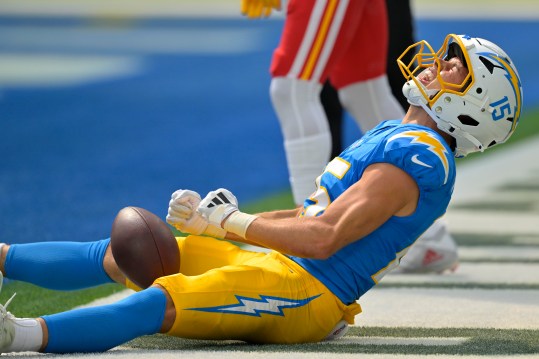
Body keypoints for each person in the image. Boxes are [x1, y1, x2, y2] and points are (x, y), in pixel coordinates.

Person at [0, 34, 522, 353]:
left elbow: (323, 238)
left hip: (308, 293)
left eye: (454, 68)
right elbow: (308, 212)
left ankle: (18, 336)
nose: (434, 63)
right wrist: (215, 222)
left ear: (475, 103)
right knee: (125, 255)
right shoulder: (397, 133)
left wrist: (231, 222)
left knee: (163, 300)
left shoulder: (421, 158)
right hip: (283, 265)